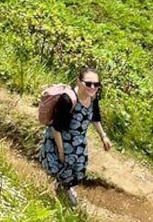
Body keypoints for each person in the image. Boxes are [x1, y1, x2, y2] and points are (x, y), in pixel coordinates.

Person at [39, 67, 112, 207]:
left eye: (96, 85)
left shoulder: (93, 97)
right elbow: (56, 127)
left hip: (78, 141)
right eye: (88, 83)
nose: (92, 87)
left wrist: (103, 136)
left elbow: (95, 117)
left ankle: (65, 188)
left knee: (79, 171)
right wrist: (61, 151)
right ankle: (62, 193)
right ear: (79, 81)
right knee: (62, 167)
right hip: (60, 139)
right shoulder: (67, 99)